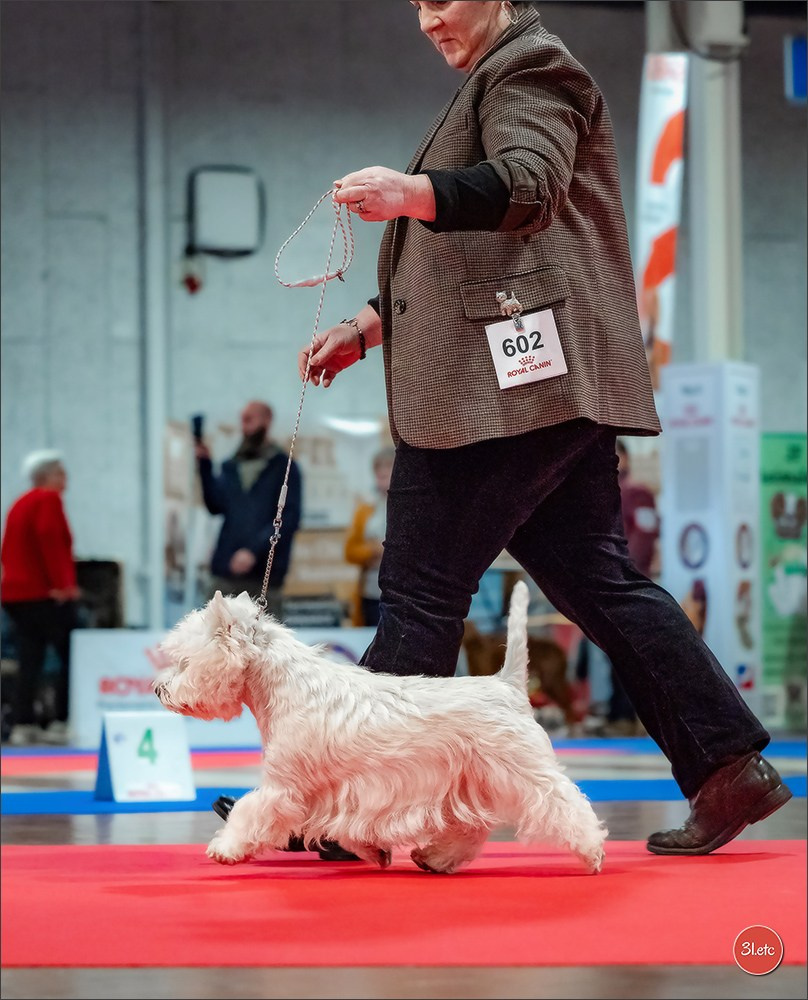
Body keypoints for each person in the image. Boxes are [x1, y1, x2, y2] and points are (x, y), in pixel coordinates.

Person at [294, 0, 790, 856]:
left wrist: (408, 192)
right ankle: (726, 766)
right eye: (414, 4)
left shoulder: (531, 66)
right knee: (599, 581)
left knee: (420, 593)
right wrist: (371, 325)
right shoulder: (500, 73)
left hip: (503, 397)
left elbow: (528, 186)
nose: (426, 20)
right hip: (544, 387)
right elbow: (477, 257)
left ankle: (359, 813)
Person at [195, 401, 302, 620]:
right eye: (242, 420)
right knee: (216, 642)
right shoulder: (231, 466)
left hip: (265, 576)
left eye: (250, 419)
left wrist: (253, 551)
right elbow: (215, 506)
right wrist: (204, 466)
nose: (244, 425)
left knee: (265, 646)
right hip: (226, 573)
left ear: (267, 420)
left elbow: (288, 518)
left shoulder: (284, 467)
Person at [1, 451, 79, 745]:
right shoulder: (48, 500)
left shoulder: (19, 504)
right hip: (43, 595)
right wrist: (64, 586)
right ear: (48, 476)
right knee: (70, 655)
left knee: (29, 657)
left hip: (16, 595)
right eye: (61, 473)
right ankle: (60, 719)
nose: (66, 480)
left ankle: (24, 722)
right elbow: (51, 541)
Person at [345, 447, 396, 627]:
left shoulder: (415, 508)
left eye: (387, 473)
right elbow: (350, 551)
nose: (381, 479)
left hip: (404, 591)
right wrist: (373, 550)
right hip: (372, 592)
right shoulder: (365, 509)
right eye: (378, 474)